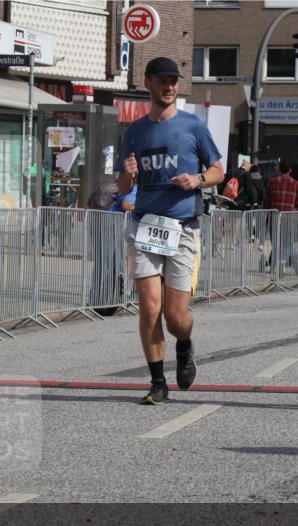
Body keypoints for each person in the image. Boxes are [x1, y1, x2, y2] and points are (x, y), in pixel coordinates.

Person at [116, 57, 224, 405]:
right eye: (162, 80)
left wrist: (198, 179)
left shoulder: (194, 126)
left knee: (175, 317)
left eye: (174, 81)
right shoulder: (135, 131)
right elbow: (121, 186)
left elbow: (219, 170)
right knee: (149, 308)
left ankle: (185, 343)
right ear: (147, 83)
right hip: (145, 226)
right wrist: (128, 176)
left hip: (182, 228)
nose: (169, 86)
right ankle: (157, 381)